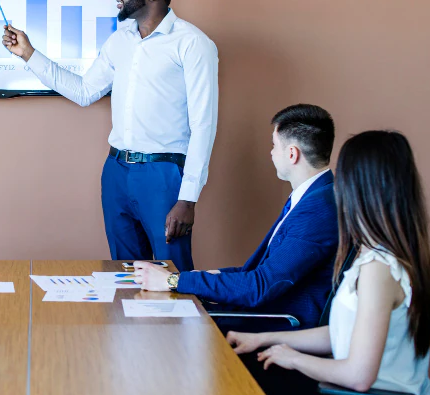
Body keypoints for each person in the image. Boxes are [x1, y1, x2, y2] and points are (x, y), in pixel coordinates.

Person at [225, 131, 430, 395]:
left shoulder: (379, 269)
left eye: (344, 178)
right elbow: (340, 333)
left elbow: (358, 376)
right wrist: (266, 339)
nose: (337, 188)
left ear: (363, 189)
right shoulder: (376, 254)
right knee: (246, 375)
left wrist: (294, 359)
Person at [2, 0, 217, 271]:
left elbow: (203, 125)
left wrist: (188, 198)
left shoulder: (193, 43)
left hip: (163, 173)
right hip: (116, 171)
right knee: (125, 272)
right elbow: (85, 91)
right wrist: (28, 54)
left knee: (173, 272)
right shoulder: (121, 39)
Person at [134, 104, 338, 329]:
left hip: (274, 323)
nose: (271, 153)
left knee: (162, 324)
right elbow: (259, 274)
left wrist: (173, 280)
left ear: (292, 153)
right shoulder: (314, 196)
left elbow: (260, 287)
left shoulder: (317, 210)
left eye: (274, 145)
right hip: (263, 312)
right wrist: (206, 276)